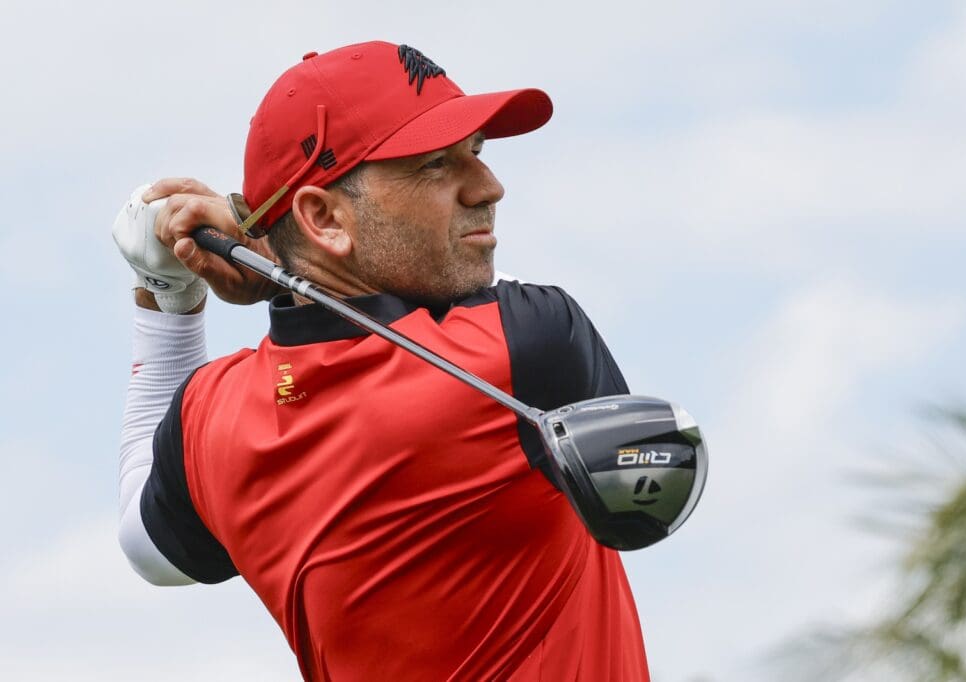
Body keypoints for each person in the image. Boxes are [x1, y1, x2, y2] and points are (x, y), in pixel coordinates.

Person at [115, 41, 650, 681]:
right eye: (434, 166)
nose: (488, 187)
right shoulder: (523, 345)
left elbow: (148, 551)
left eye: (476, 153)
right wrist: (269, 255)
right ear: (323, 217)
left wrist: (171, 302)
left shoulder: (211, 419)